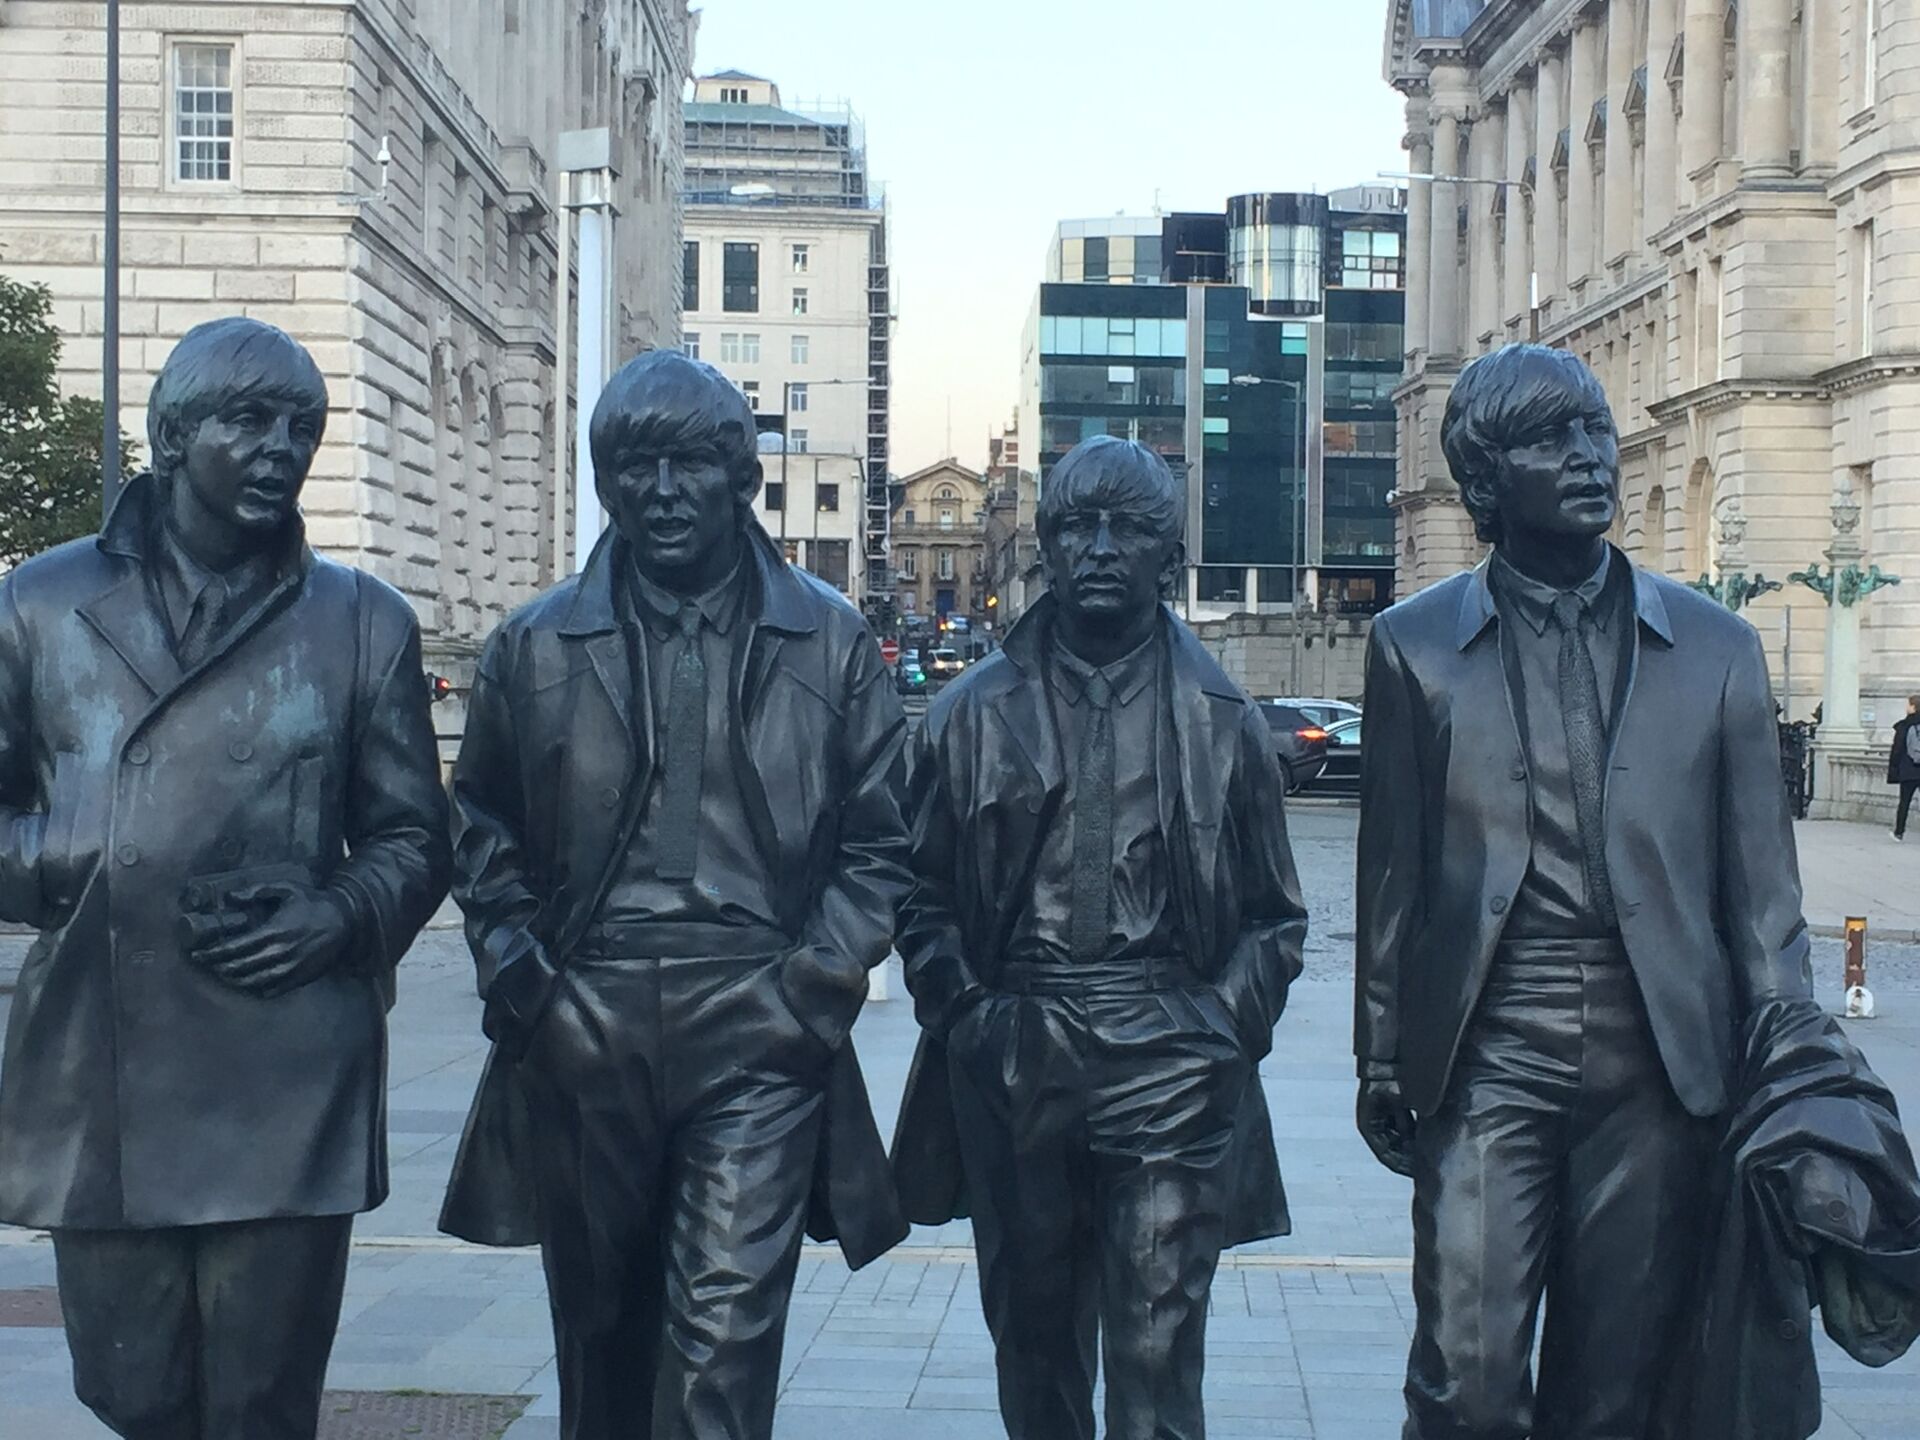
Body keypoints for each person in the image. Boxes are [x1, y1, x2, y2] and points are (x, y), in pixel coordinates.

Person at [439, 350, 910, 1440]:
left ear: (742, 478)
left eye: (690, 464)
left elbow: (885, 837)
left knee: (720, 1358)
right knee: (601, 1352)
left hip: (758, 1020)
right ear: (605, 481)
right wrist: (528, 988)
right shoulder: (535, 642)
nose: (661, 492)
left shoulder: (829, 641)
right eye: (634, 466)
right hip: (586, 1013)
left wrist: (816, 983)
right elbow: (482, 830)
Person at [0, 317, 453, 1440]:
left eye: (301, 428)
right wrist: (69, 852)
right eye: (247, 422)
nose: (279, 450)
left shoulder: (361, 622)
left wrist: (344, 911)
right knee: (132, 1390)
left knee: (260, 1403)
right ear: (170, 435)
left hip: (287, 1063)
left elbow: (418, 837)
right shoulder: (39, 607)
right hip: (100, 1059)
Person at [1354, 344, 1814, 1439]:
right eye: (1550, 441)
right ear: (1484, 484)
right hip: (1485, 1047)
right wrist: (1380, 1052)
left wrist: (1794, 1065)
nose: (1589, 460)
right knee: (1464, 1387)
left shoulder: (1717, 649)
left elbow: (1763, 898)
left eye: (1596, 432)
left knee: (1616, 1393)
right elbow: (1396, 878)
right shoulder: (1413, 647)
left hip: (1660, 1061)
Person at [891, 435, 1307, 1440]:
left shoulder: (1222, 719)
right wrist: (973, 1020)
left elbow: (1275, 914)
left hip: (1169, 1051)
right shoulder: (967, 714)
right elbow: (917, 894)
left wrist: (1220, 1029)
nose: (1101, 548)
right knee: (1034, 1352)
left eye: (1130, 528)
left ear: (1168, 552)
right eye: (1078, 526)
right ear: (1048, 546)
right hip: (1017, 1048)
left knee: (1159, 1356)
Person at [1888, 695, 1920, 840]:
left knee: (1904, 802)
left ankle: (1899, 832)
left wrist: (1894, 767)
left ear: (1913, 707)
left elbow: (1897, 749)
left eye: (1908, 705)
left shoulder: (1904, 726)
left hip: (1909, 769)